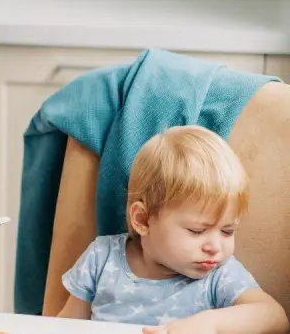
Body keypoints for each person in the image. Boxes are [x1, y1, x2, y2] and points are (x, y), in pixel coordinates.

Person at [56, 125, 289, 333]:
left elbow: (275, 318)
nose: (215, 247)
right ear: (143, 220)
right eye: (197, 231)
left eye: (227, 231)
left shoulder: (219, 275)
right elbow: (65, 325)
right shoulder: (101, 258)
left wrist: (211, 324)